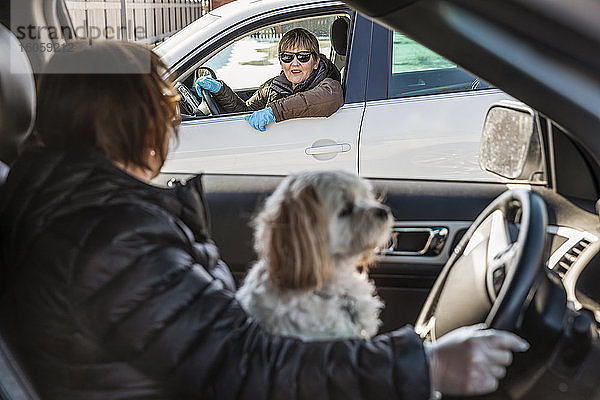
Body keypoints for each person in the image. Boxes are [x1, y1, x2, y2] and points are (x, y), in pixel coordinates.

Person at [0, 40, 528, 400]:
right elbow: (241, 368)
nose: (172, 117)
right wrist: (425, 367)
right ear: (136, 120)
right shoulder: (107, 234)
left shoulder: (81, 216)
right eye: (164, 103)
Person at [194, 27, 345, 132]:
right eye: (287, 57)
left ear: (316, 62)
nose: (295, 63)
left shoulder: (328, 84)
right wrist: (219, 90)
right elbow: (246, 112)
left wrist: (275, 111)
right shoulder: (274, 86)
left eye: (303, 56)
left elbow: (330, 98)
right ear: (281, 61)